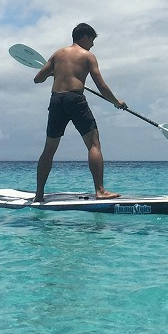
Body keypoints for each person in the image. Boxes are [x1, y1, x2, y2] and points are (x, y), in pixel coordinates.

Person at [33, 23, 126, 202]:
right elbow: (101, 86)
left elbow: (38, 79)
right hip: (75, 99)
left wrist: (54, 74)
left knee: (49, 149)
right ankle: (100, 190)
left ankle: (38, 195)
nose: (92, 45)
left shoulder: (57, 54)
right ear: (84, 37)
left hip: (56, 100)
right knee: (94, 144)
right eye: (92, 40)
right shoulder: (87, 56)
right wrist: (116, 102)